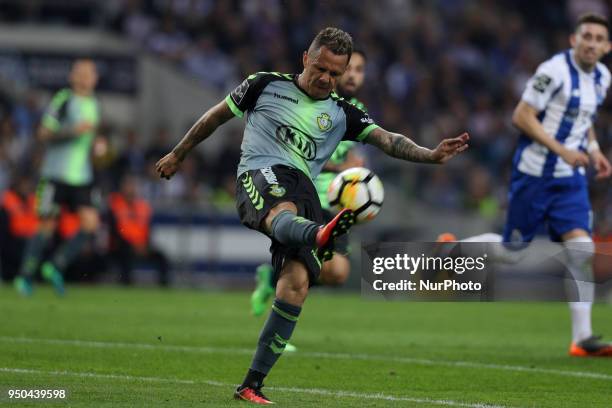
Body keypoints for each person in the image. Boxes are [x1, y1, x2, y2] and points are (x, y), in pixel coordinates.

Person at [156, 27, 469, 404]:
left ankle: (251, 385)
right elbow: (215, 117)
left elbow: (388, 140)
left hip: (305, 189)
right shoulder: (264, 84)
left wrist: (430, 154)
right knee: (282, 213)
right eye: (321, 69)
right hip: (260, 172)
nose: (327, 79)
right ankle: (314, 235)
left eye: (336, 74)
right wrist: (178, 153)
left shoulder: (342, 112)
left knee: (297, 284)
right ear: (306, 58)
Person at [440, 13, 612, 357]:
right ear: (573, 40)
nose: (592, 43)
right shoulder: (554, 71)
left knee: (582, 251)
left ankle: (582, 339)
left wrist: (593, 150)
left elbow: (584, 119)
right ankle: (454, 247)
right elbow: (520, 116)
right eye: (586, 36)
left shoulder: (603, 77)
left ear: (607, 47)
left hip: (570, 181)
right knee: (511, 253)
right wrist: (562, 149)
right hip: (534, 176)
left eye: (598, 38)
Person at [250, 49, 368, 318]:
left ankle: (271, 277)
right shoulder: (311, 102)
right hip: (306, 196)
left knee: (337, 273)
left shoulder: (357, 110)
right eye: (349, 68)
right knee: (301, 269)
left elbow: (350, 157)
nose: (353, 75)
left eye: (359, 70)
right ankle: (279, 334)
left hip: (335, 203)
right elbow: (294, 152)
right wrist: (341, 167)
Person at [14, 59, 101, 296]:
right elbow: (43, 132)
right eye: (80, 73)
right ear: (72, 77)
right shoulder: (64, 99)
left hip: (82, 176)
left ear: (95, 78)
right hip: (54, 174)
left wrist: (97, 146)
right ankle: (24, 277)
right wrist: (72, 131)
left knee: (91, 223)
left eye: (89, 73)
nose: (85, 77)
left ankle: (55, 265)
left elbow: (88, 141)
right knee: (46, 227)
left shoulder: (94, 104)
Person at [108, 174, 169, 286]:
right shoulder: (115, 204)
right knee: (124, 255)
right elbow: (114, 231)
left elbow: (148, 229)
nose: (131, 189)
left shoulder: (143, 206)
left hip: (142, 245)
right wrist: (132, 245)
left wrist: (144, 245)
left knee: (162, 257)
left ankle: (164, 287)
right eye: (128, 185)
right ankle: (126, 285)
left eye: (133, 186)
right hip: (122, 245)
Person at [0, 174, 39, 282]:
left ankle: (28, 276)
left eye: (28, 185)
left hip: (31, 237)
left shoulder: (33, 199)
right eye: (23, 185)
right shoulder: (8, 198)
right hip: (12, 239)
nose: (26, 188)